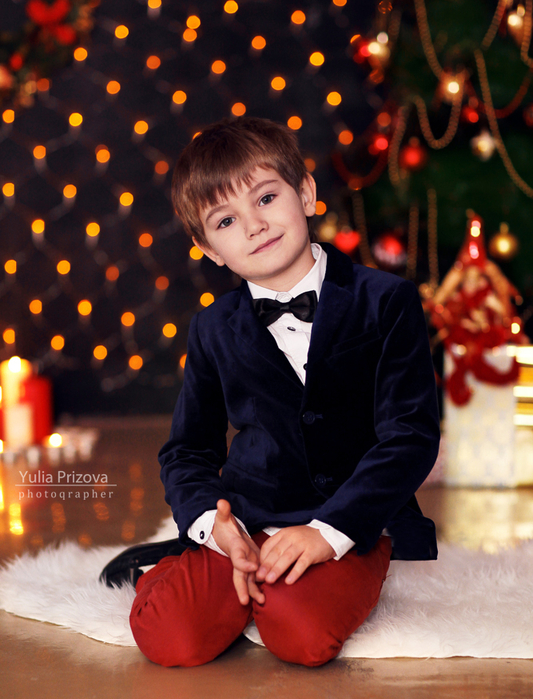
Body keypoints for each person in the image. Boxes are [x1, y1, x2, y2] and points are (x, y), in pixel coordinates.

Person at [129, 117, 440, 668]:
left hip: (350, 516)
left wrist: (329, 532)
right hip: (247, 514)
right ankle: (174, 567)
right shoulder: (212, 327)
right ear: (209, 249)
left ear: (307, 193)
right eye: (227, 221)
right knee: (169, 636)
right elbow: (188, 451)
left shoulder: (386, 300)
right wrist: (214, 527)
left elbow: (409, 435)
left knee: (302, 636)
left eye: (267, 198)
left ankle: (283, 582)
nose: (255, 226)